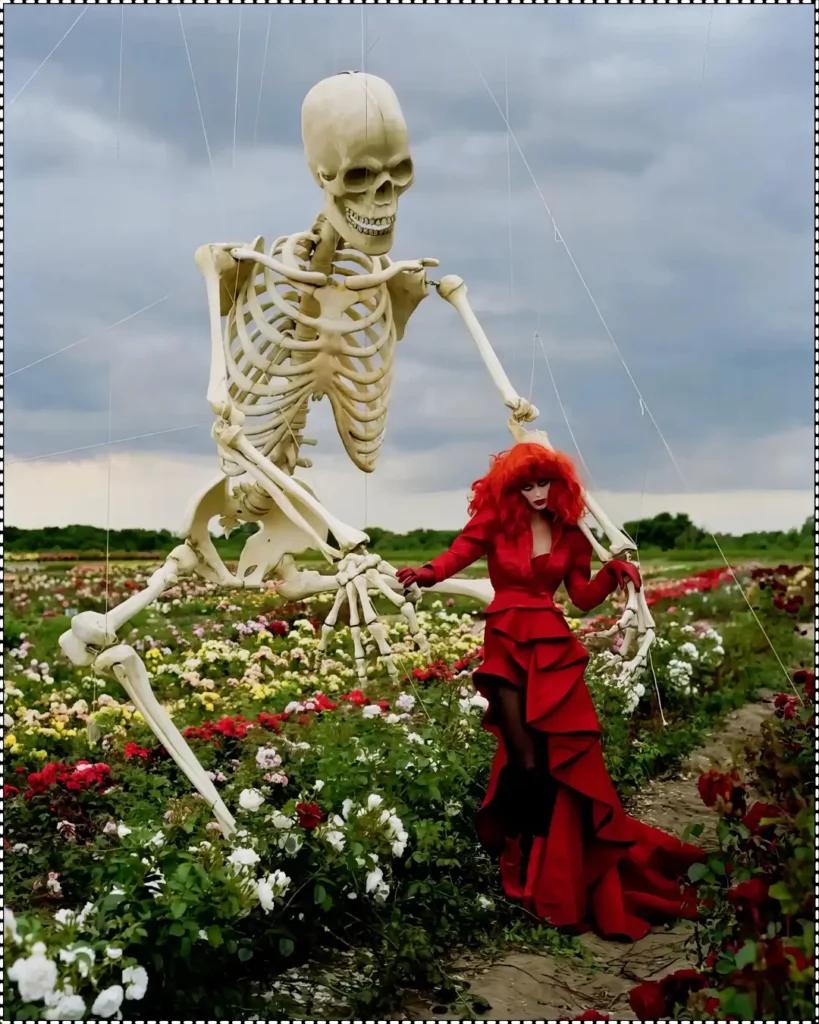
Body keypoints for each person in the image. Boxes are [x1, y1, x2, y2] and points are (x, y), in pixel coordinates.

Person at [396, 441, 703, 942]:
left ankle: (550, 878)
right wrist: (425, 574)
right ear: (511, 488)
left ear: (559, 486)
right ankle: (518, 865)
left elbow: (580, 598)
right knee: (522, 757)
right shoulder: (497, 523)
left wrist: (613, 574)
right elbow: (459, 554)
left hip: (551, 649)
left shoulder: (571, 533)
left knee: (560, 760)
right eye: (527, 485)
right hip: (506, 645)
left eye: (544, 484)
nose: (537, 493)